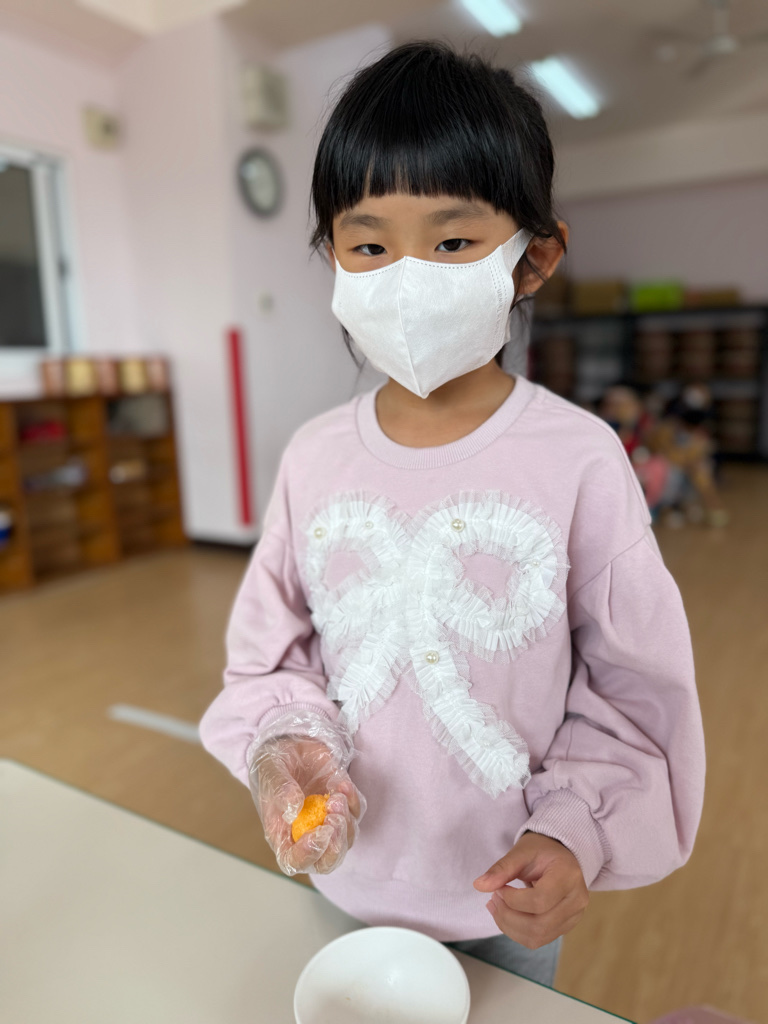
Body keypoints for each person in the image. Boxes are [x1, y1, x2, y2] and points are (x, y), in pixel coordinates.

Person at [199, 42, 705, 988]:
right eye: (370, 246)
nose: (407, 277)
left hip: (507, 891)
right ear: (333, 258)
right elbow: (270, 653)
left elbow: (633, 688)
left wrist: (573, 828)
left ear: (534, 257)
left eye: (452, 243)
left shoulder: (581, 459)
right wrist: (286, 744)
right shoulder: (314, 456)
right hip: (341, 873)